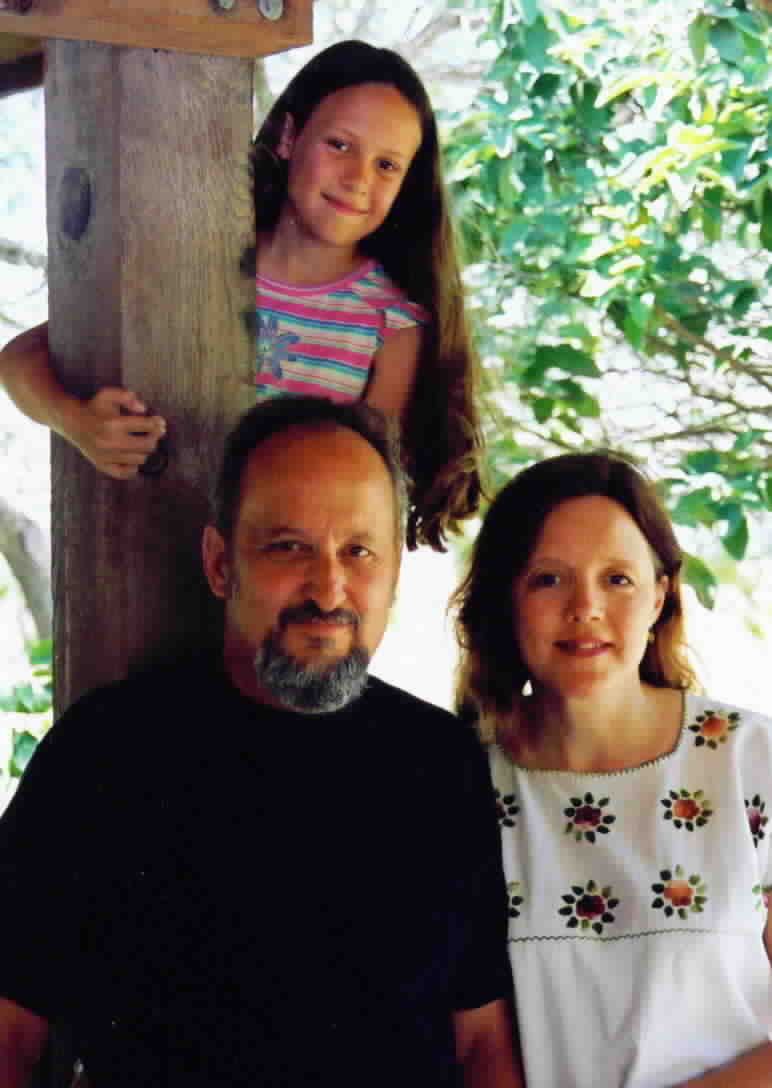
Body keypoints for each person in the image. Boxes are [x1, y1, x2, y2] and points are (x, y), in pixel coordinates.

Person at [0, 396, 521, 1088]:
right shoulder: (105, 754)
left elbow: (481, 1040)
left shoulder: (442, 763)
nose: (328, 587)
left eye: (358, 550)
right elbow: (9, 1025)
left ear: (394, 571)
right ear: (220, 564)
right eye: (288, 546)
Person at [0, 40, 481, 551]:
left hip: (278, 577)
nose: (358, 178)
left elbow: (366, 486)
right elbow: (20, 358)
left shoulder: (391, 324)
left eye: (387, 165)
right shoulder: (192, 264)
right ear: (291, 137)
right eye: (339, 145)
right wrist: (78, 423)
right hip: (142, 552)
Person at [452, 450, 772, 1088]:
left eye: (617, 578)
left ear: (660, 595)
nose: (585, 607)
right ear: (505, 599)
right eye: (548, 578)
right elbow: (473, 1040)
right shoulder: (454, 781)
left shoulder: (752, 761)